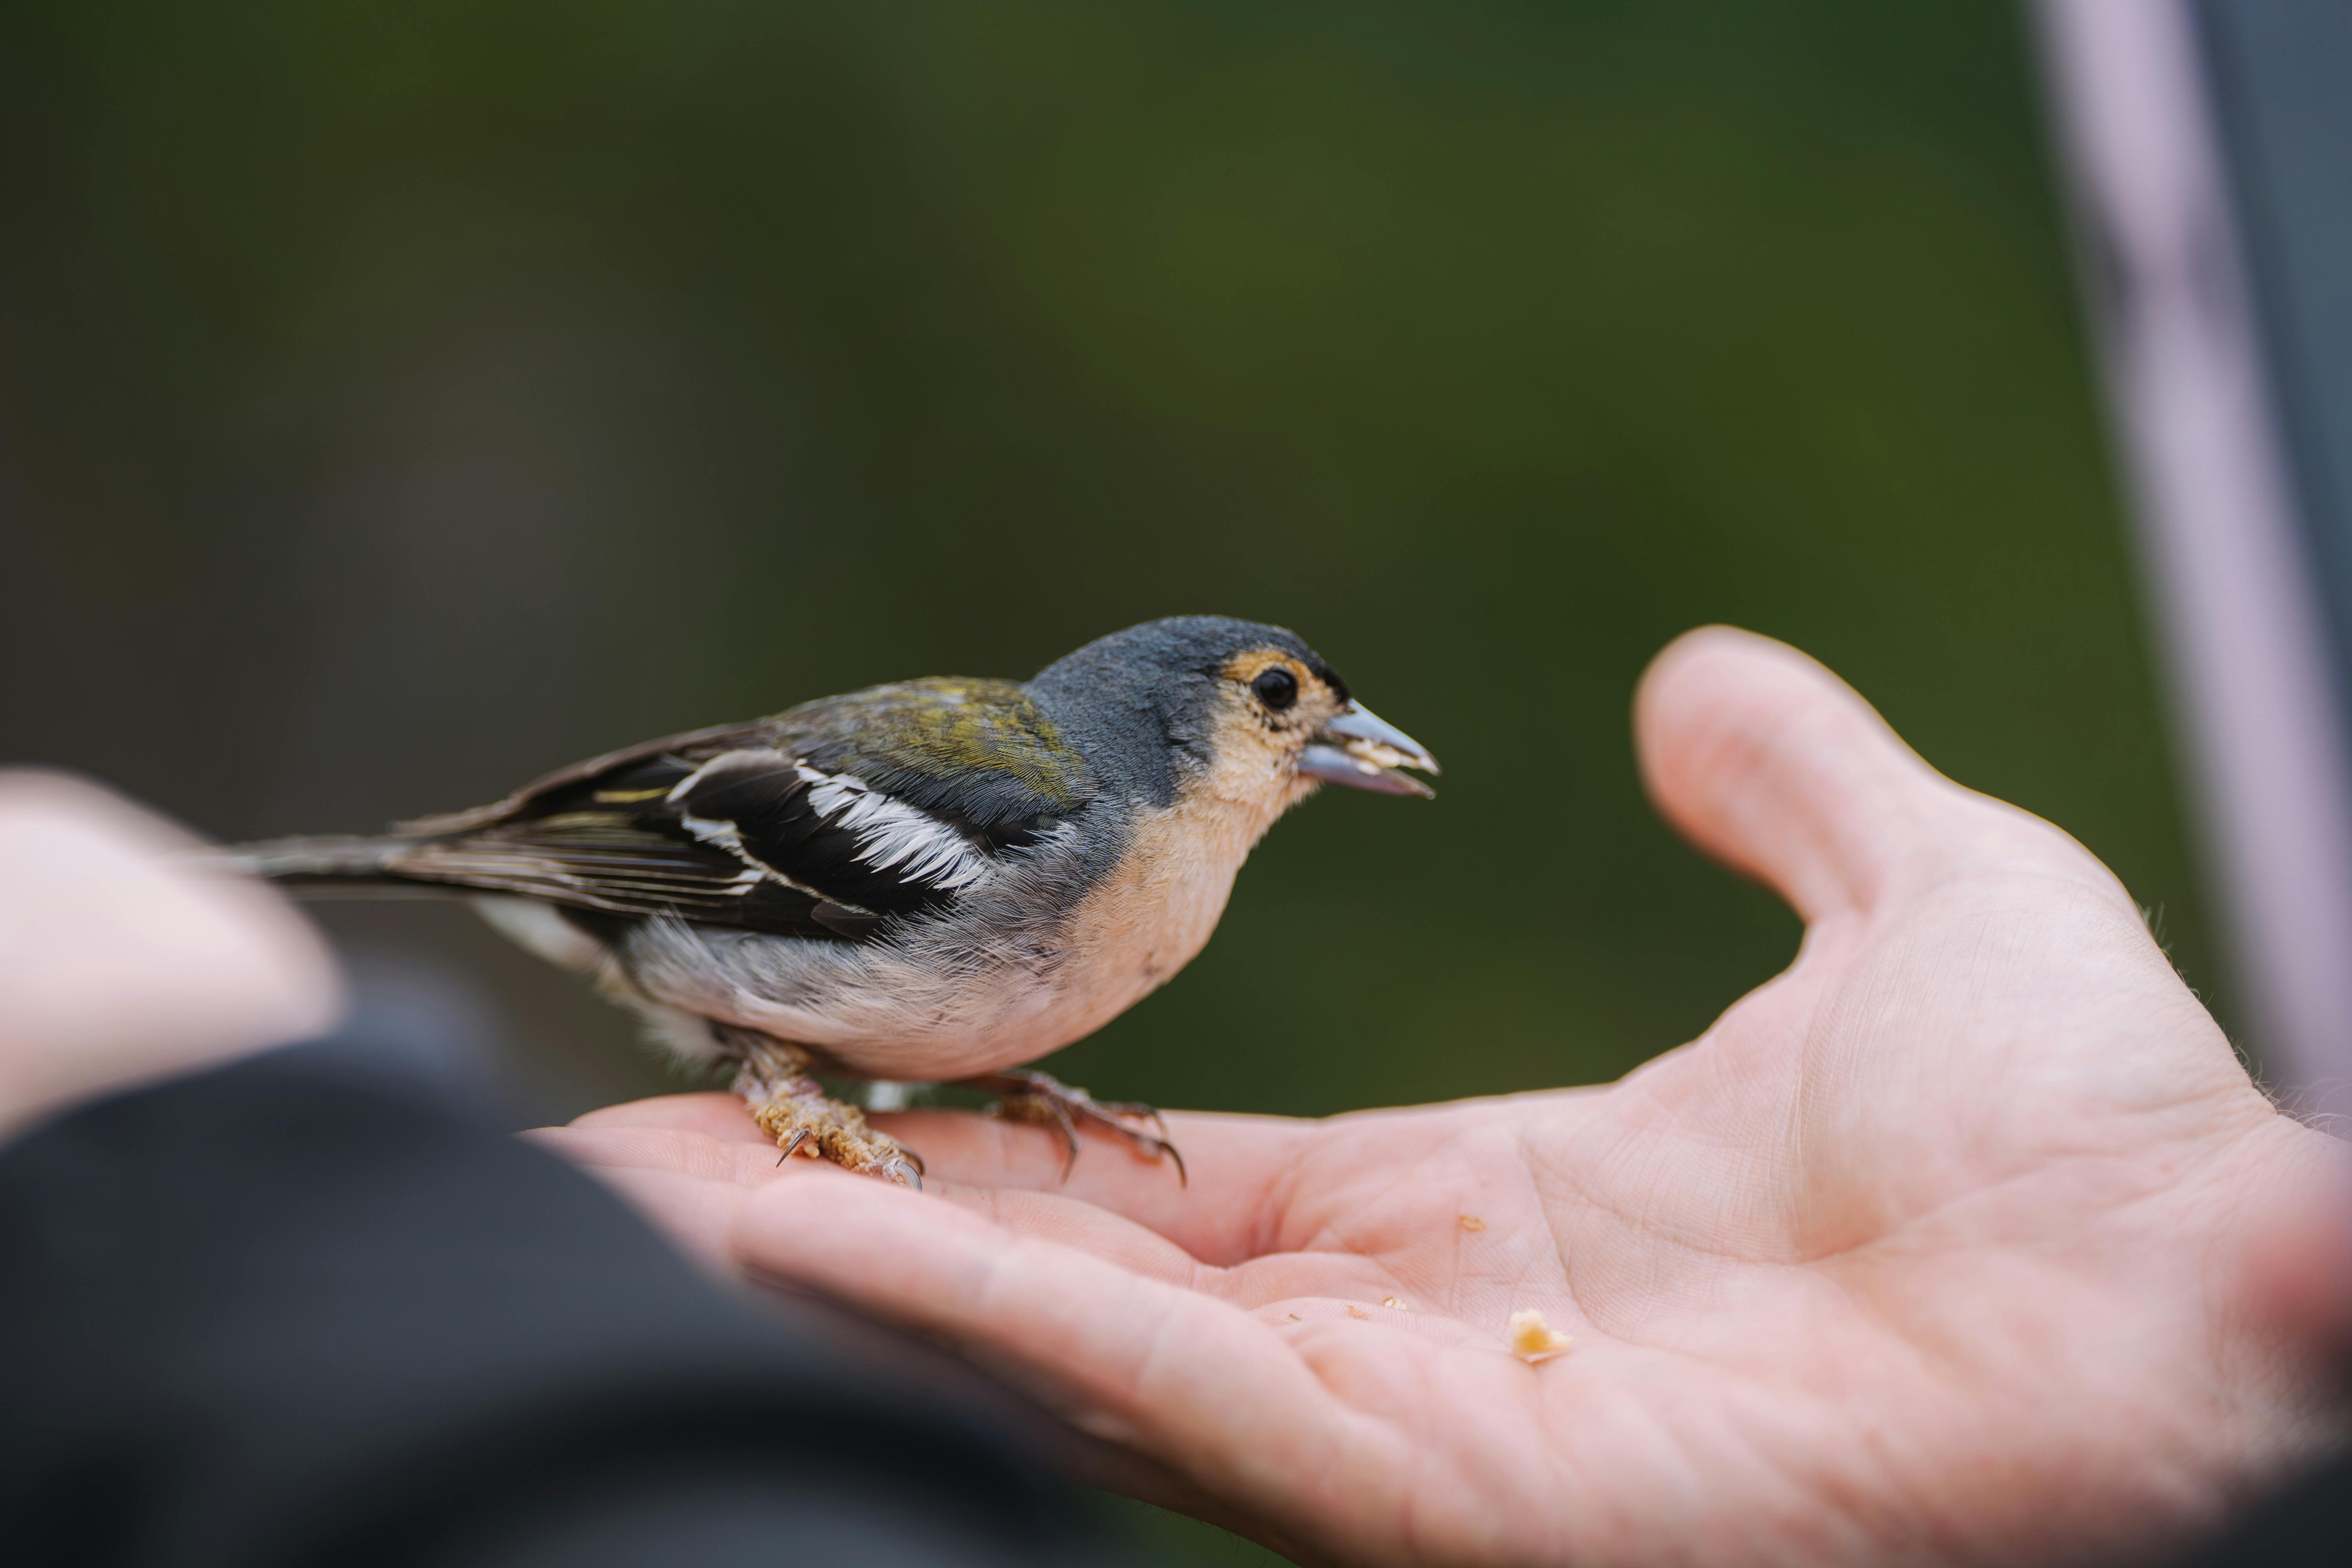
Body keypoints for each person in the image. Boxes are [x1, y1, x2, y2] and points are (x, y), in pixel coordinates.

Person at [4, 628, 2347, 1566]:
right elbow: (722, 839)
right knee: (814, 1039)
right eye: (1281, 705)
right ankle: (773, 1076)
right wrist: (767, 1054)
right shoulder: (1033, 809)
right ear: (1179, 724)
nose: (1324, 741)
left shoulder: (1131, 861)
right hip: (661, 898)